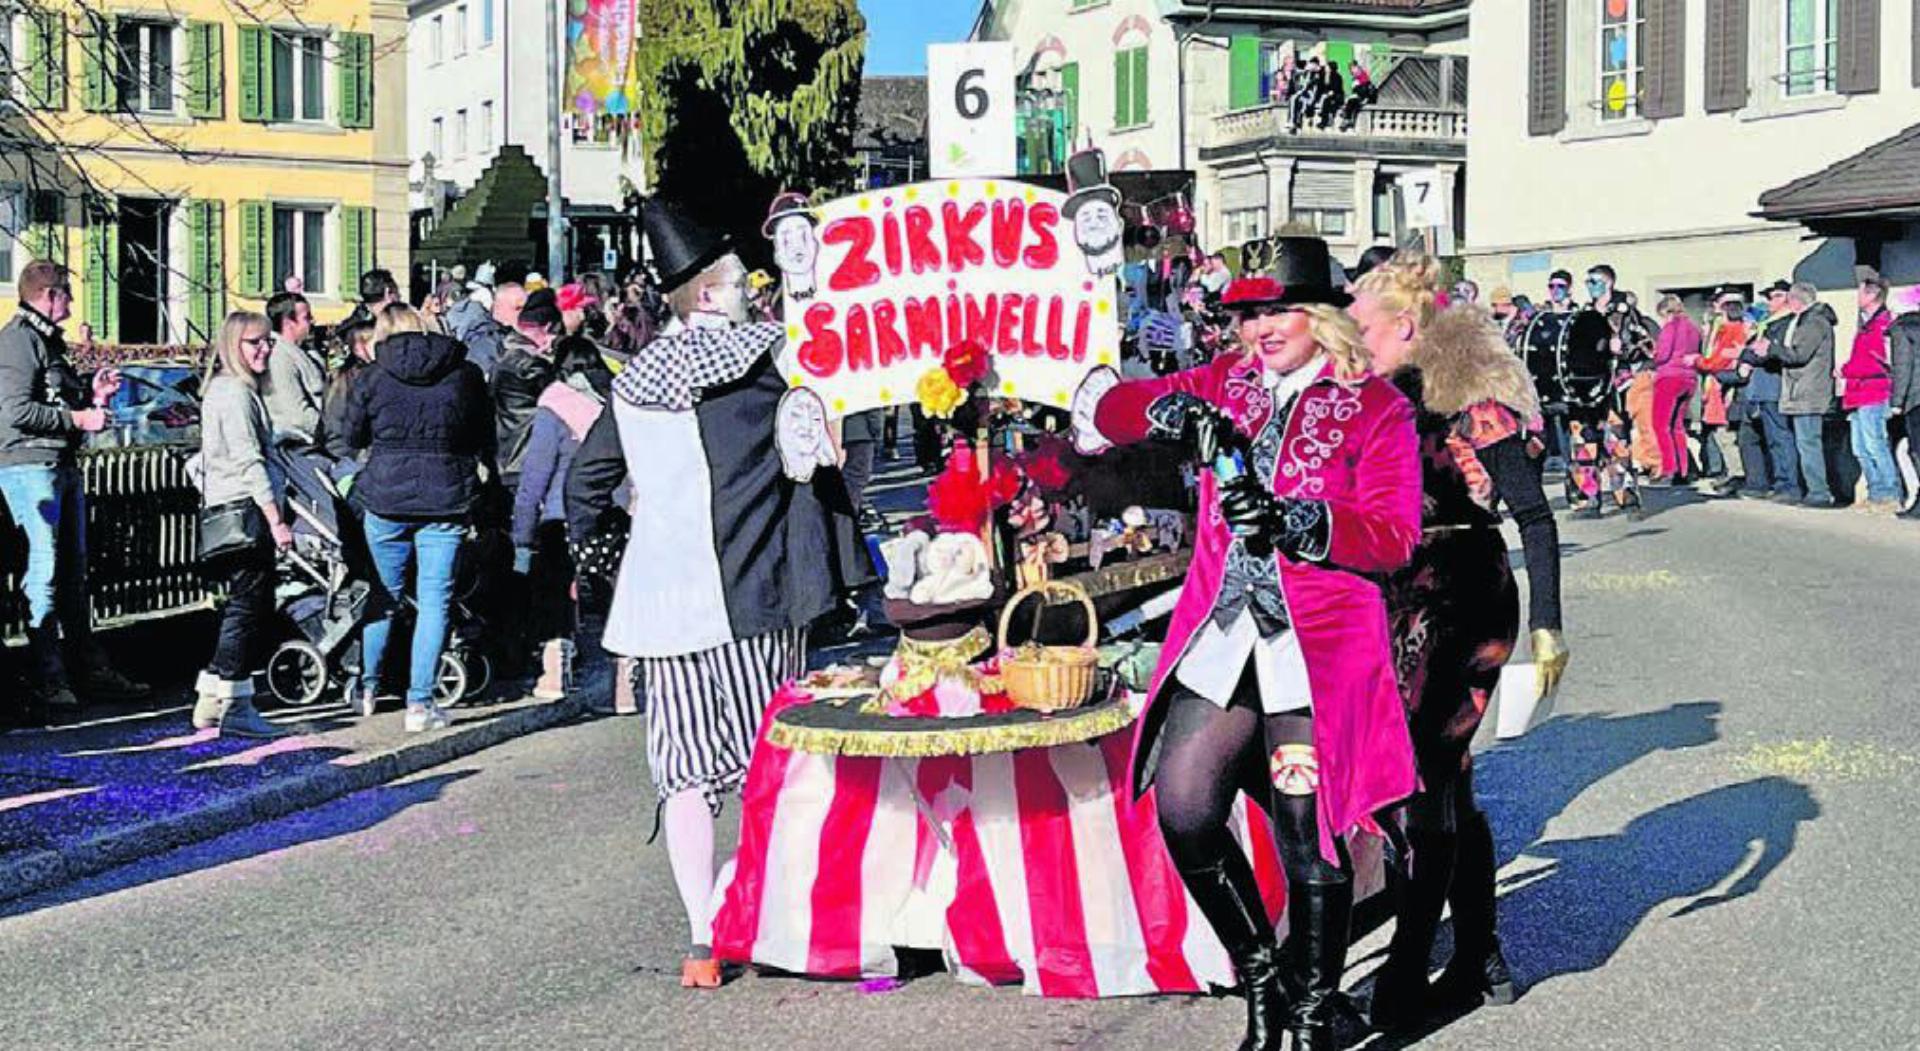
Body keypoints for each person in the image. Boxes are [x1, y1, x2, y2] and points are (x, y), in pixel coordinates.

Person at [1070, 237, 1420, 1051]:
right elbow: (1112, 410)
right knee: (1186, 808)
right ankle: (1266, 978)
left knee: (1310, 837)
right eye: (1246, 314)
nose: (1258, 329)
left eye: (1276, 310)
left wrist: (1307, 522)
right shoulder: (1224, 385)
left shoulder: (1377, 409)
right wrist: (1164, 410)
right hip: (1225, 635)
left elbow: (1397, 535)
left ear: (1321, 316)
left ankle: (1305, 1023)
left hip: (1317, 650)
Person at [564, 198, 848, 990]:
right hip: (757, 592)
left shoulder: (634, 383)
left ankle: (700, 939)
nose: (757, 295)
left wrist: (617, 562)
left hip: (663, 609)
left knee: (686, 775)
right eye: (743, 284)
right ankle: (765, 912)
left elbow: (586, 486)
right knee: (777, 763)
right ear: (714, 295)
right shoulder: (774, 361)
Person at [1348, 251, 1564, 1030]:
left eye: (1364, 326)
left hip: (1463, 601)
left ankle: (1407, 973)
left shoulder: (1469, 395)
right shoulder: (1365, 395)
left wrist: (1549, 628)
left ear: (1404, 327)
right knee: (1447, 783)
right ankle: (1479, 948)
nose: (1354, 337)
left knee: (1425, 779)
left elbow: (1534, 518)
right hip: (1398, 600)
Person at [0, 261, 149, 716]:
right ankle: (50, 676)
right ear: (47, 295)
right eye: (66, 292)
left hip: (58, 464)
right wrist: (78, 418)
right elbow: (14, 410)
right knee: (43, 572)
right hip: (29, 468)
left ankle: (85, 668)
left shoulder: (48, 341)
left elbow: (54, 398)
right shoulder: (18, 340)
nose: (71, 301)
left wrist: (92, 395)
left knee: (73, 573)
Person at [343, 303, 496, 730]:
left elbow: (352, 435)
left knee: (383, 594)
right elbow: (484, 432)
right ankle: (419, 703)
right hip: (445, 495)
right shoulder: (463, 373)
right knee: (435, 601)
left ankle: (367, 689)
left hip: (386, 493)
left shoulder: (374, 374)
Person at [192, 312, 297, 739]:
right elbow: (248, 459)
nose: (264, 350)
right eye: (254, 342)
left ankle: (211, 697)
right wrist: (276, 520)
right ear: (233, 344)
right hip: (245, 509)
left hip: (232, 503)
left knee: (242, 605)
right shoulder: (234, 393)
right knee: (247, 609)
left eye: (268, 341)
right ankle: (235, 702)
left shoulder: (226, 390)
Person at [512, 340, 608, 701]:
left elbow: (534, 479)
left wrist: (522, 538)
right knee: (608, 596)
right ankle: (623, 687)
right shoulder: (616, 401)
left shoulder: (554, 409)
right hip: (609, 513)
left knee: (555, 593)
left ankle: (555, 675)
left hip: (560, 514)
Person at [1563, 265, 1652, 517]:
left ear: (1609, 282)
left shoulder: (1625, 312)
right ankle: (1589, 498)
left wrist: (1621, 347)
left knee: (1616, 443)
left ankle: (1627, 499)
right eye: (1588, 281)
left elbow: (1645, 343)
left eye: (1595, 280)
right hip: (1584, 387)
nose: (1590, 285)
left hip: (1612, 385)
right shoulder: (1584, 312)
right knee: (1582, 442)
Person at [1763, 282, 1839, 508]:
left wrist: (1771, 348)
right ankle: (1815, 490)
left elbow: (1799, 355)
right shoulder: (1811, 320)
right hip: (1804, 390)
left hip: (1808, 391)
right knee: (1806, 442)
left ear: (1796, 301)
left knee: (1808, 443)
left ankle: (1819, 492)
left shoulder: (1813, 322)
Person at [1735, 281, 1802, 501]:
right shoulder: (1767, 323)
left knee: (1781, 439)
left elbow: (1763, 352)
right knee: (1771, 439)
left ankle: (1789, 486)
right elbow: (1751, 349)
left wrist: (1750, 355)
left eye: (1776, 296)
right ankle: (1778, 482)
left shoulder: (1786, 323)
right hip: (1760, 389)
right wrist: (1748, 354)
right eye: (1770, 297)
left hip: (1774, 387)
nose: (1770, 302)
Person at [1843, 268, 1901, 512]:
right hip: (1857, 393)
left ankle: (1889, 493)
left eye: (1860, 292)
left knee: (1875, 443)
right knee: (1860, 448)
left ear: (1872, 295)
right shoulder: (1866, 324)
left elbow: (1877, 361)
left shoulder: (1882, 324)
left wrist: (1846, 370)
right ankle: (1875, 492)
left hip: (1874, 392)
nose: (1857, 297)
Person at [493, 288, 562, 488]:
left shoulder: (503, 354)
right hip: (526, 460)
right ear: (548, 328)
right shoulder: (532, 366)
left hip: (506, 458)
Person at [1695, 288, 1750, 493]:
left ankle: (1736, 473)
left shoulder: (1731, 331)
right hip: (1720, 384)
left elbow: (1718, 360)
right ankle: (1731, 471)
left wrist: (1698, 361)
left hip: (1724, 386)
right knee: (1721, 432)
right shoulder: (1730, 328)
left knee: (1724, 432)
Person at [259, 291, 326, 449]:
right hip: (298, 446)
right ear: (289, 323)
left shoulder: (303, 352)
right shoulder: (279, 358)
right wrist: (333, 432)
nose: (312, 321)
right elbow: (296, 415)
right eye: (307, 317)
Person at [1648, 295, 1702, 484]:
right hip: (1689, 378)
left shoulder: (1670, 327)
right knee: (1677, 426)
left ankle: (1670, 468)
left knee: (1660, 425)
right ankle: (1684, 469)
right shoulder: (1694, 328)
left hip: (1669, 377)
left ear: (1667, 312)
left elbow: (1663, 355)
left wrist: (1651, 354)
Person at [1889, 293, 1920, 519]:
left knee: (1915, 451)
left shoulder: (1902, 328)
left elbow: (1903, 365)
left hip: (1916, 397)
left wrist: (1897, 401)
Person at [464, 281, 525, 382]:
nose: (524, 312)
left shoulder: (523, 333)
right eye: (518, 308)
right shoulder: (481, 341)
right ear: (498, 307)